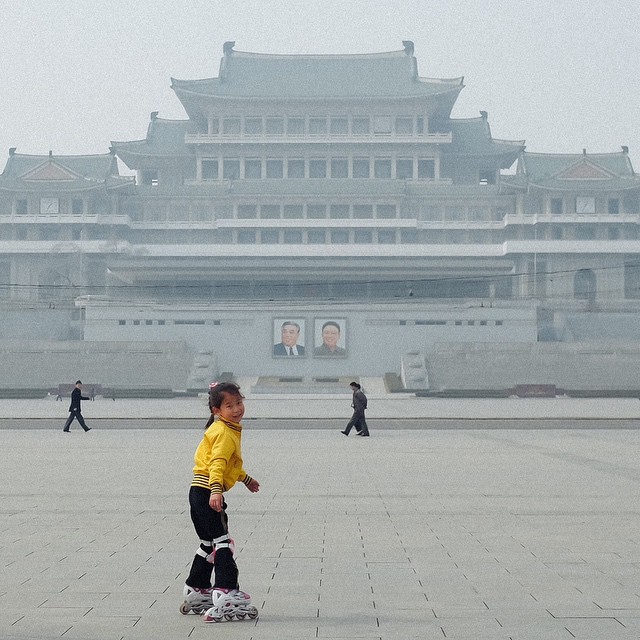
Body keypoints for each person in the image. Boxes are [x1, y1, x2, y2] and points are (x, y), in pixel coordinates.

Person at [181, 382, 261, 622]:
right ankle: (226, 589)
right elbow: (217, 464)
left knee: (208, 543)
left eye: (239, 403)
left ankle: (197, 587)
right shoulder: (225, 433)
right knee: (224, 543)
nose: (237, 409)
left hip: (197, 491)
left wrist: (246, 479)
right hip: (207, 491)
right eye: (230, 405)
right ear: (217, 410)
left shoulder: (220, 428)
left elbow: (230, 465)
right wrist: (216, 492)